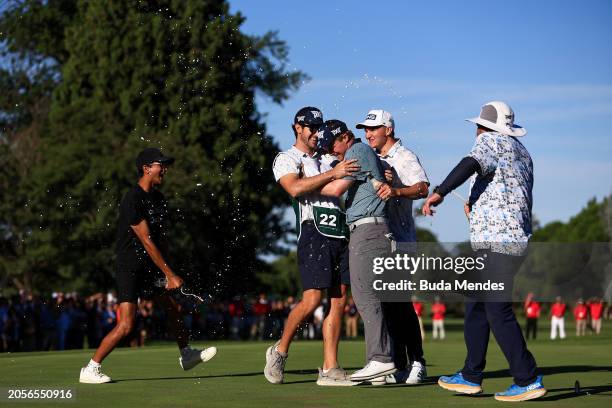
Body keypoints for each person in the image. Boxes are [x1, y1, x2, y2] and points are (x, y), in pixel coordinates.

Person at [422, 101, 546, 401]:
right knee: (477, 306)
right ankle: (470, 375)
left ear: (485, 127)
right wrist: (476, 205)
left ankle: (527, 378)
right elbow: (508, 192)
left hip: (496, 242)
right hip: (513, 240)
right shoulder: (523, 153)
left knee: (496, 309)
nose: (476, 132)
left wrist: (439, 192)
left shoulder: (489, 141)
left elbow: (469, 165)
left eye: (478, 126)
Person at [79, 148, 216, 384]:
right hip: (129, 266)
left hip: (149, 267)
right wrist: (168, 274)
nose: (164, 169)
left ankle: (186, 354)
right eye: (160, 165)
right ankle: (90, 368)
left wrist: (171, 270)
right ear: (146, 168)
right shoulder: (132, 198)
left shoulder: (159, 198)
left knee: (172, 307)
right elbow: (146, 239)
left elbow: (161, 240)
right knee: (127, 325)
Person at [265, 107, 359, 386]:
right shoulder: (287, 158)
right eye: (312, 128)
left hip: (339, 231)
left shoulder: (328, 158)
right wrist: (333, 174)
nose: (318, 134)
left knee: (339, 300)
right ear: (298, 128)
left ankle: (330, 368)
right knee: (312, 300)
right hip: (312, 231)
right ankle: (280, 351)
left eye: (320, 128)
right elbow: (294, 188)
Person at [317, 119, 397, 382]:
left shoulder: (355, 151)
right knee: (373, 298)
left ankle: (380, 360)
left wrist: (306, 184)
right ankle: (382, 366)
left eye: (332, 144)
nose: (331, 151)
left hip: (368, 231)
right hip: (374, 231)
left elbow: (334, 189)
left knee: (365, 297)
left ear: (345, 137)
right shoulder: (361, 153)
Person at [362, 109, 429, 384]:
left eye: (373, 129)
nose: (368, 134)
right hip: (380, 242)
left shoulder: (404, 156)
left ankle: (417, 362)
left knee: (400, 304)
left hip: (401, 242)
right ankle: (399, 364)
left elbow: (423, 187)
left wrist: (397, 189)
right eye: (365, 130)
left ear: (388, 129)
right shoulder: (373, 158)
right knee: (387, 306)